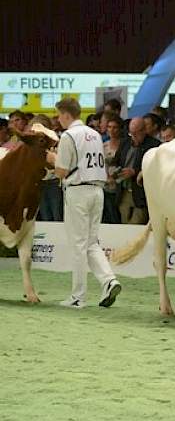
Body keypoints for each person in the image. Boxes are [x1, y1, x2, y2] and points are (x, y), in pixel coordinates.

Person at [47, 97, 123, 309]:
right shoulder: (95, 134)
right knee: (91, 242)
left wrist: (52, 159)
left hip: (78, 191)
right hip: (97, 191)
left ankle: (78, 296)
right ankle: (109, 280)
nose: (58, 120)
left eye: (59, 116)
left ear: (66, 114)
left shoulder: (69, 136)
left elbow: (62, 171)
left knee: (79, 245)